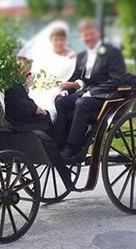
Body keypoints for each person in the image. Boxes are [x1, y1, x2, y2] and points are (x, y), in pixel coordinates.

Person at [53, 18, 126, 162]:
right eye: (85, 35)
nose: (88, 38)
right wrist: (68, 89)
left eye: (90, 34)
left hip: (106, 95)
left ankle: (72, 147)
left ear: (98, 33)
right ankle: (57, 143)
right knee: (61, 101)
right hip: (86, 92)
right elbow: (82, 78)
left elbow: (117, 79)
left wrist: (92, 92)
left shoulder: (112, 53)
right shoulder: (82, 55)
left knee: (82, 103)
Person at [27, 22, 77, 120]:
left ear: (65, 40)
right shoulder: (46, 55)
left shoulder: (72, 56)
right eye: (56, 40)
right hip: (43, 84)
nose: (59, 43)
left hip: (61, 87)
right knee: (33, 95)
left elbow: (74, 77)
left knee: (51, 99)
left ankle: (47, 121)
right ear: (51, 40)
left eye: (61, 40)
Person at [5, 57, 53, 132]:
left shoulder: (12, 81)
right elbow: (20, 101)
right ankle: (53, 140)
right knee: (47, 115)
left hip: (12, 113)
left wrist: (26, 86)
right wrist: (36, 108)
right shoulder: (14, 84)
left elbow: (21, 98)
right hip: (17, 118)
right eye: (27, 73)